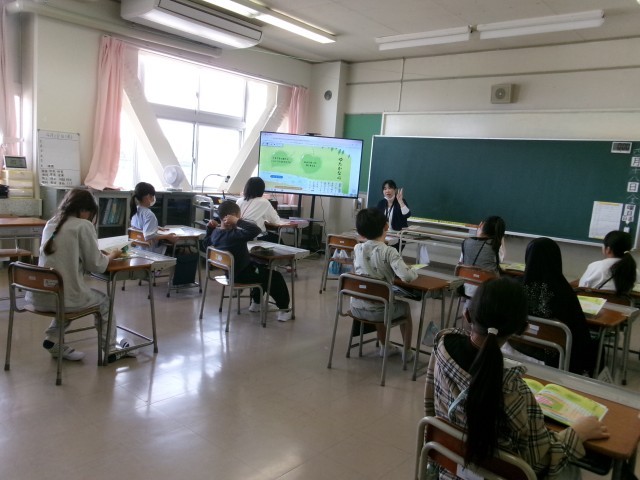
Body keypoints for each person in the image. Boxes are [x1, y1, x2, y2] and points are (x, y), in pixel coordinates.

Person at [425, 277, 609, 480]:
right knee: (570, 470)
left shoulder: (441, 347)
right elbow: (538, 463)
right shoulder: (515, 392)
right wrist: (576, 434)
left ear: (467, 314)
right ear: (523, 329)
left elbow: (430, 407)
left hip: (448, 470)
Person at [26, 188, 135, 362]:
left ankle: (52, 340)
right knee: (104, 302)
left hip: (39, 295)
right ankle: (110, 350)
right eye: (91, 214)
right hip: (64, 298)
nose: (90, 218)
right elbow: (97, 266)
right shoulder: (83, 225)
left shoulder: (52, 223)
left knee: (70, 295)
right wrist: (113, 255)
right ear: (84, 210)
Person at [202, 200, 292, 322]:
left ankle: (256, 303)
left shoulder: (216, 233)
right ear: (232, 217)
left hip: (230, 273)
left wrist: (209, 229)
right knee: (274, 276)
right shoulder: (235, 235)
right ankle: (284, 310)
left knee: (261, 269)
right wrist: (237, 221)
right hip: (242, 274)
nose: (240, 219)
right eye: (238, 217)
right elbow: (255, 230)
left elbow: (206, 243)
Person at [521, 237, 598, 375]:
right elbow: (580, 331)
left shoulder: (517, 289)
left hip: (521, 350)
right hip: (557, 358)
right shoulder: (563, 292)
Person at [350, 208, 415, 361]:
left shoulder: (357, 248)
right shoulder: (389, 252)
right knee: (401, 306)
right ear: (386, 226)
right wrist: (413, 271)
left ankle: (385, 347)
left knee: (378, 297)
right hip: (379, 311)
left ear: (360, 232)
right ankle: (407, 352)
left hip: (356, 308)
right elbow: (407, 277)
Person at [459, 215, 506, 297]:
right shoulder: (495, 246)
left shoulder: (467, 242)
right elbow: (501, 259)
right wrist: (501, 239)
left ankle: (467, 304)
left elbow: (461, 262)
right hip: (488, 291)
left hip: (467, 287)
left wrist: (479, 233)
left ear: (482, 226)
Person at [579, 230, 637, 295]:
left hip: (597, 301)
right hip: (622, 302)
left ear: (608, 249)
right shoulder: (634, 271)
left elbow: (581, 288)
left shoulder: (595, 266)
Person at [129, 182, 177, 254]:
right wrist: (167, 236)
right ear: (148, 196)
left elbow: (140, 227)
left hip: (137, 250)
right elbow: (149, 236)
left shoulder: (136, 210)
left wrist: (156, 227)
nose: (154, 198)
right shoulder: (149, 215)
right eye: (153, 196)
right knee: (177, 250)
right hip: (149, 252)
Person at [236, 177, 284, 243]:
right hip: (256, 237)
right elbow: (276, 221)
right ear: (261, 189)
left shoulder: (239, 200)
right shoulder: (264, 202)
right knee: (278, 239)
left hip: (240, 236)